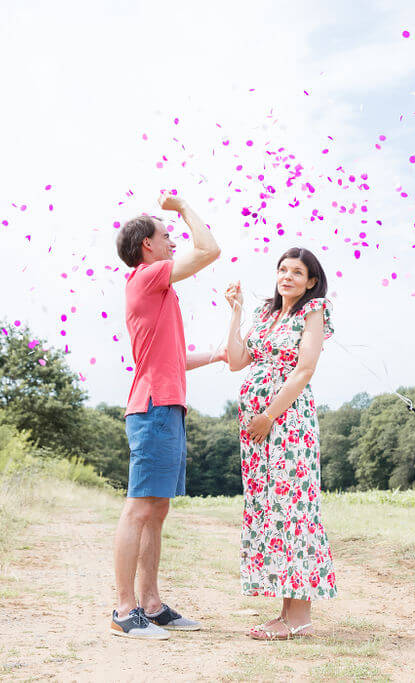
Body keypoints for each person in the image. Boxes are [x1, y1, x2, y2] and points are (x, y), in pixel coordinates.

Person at [110, 191, 225, 640]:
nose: (173, 242)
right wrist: (183, 207)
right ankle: (125, 610)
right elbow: (209, 250)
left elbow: (173, 358)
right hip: (153, 407)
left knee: (157, 510)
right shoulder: (146, 277)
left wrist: (216, 355)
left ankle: (152, 605)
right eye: (166, 236)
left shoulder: (159, 290)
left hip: (167, 407)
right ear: (147, 246)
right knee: (139, 508)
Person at [223, 246, 337, 641]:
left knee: (293, 507)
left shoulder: (313, 311)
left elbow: (305, 369)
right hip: (257, 428)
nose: (287, 276)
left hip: (287, 421)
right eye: (283, 269)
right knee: (271, 508)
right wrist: (236, 312)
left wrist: (269, 415)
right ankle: (287, 614)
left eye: (297, 272)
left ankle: (300, 617)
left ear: (311, 281)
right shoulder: (265, 313)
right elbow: (236, 361)